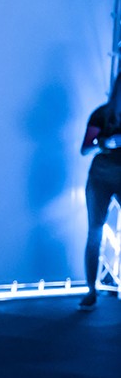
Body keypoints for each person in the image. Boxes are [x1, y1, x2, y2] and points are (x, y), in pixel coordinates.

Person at [80, 70, 121, 310]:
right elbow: (85, 148)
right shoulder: (101, 115)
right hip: (100, 178)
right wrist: (104, 144)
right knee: (94, 232)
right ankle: (91, 289)